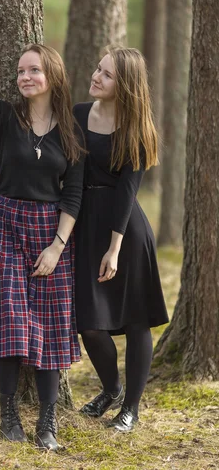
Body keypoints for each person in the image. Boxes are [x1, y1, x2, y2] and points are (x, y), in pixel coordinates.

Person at [0, 19, 84, 450]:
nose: (25, 78)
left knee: (49, 326)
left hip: (50, 233)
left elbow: (73, 196)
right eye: (21, 71)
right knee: (8, 316)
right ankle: (8, 414)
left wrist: (57, 247)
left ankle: (47, 423)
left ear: (52, 78)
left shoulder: (70, 133)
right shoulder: (7, 118)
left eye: (34, 71)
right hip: (5, 224)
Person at [74, 46, 169, 432]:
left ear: (124, 84)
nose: (97, 76)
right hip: (85, 224)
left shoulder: (138, 130)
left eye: (107, 74)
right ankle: (111, 389)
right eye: (98, 69)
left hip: (125, 230)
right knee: (89, 322)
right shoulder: (79, 115)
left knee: (135, 321)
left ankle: (131, 408)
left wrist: (114, 250)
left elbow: (128, 192)